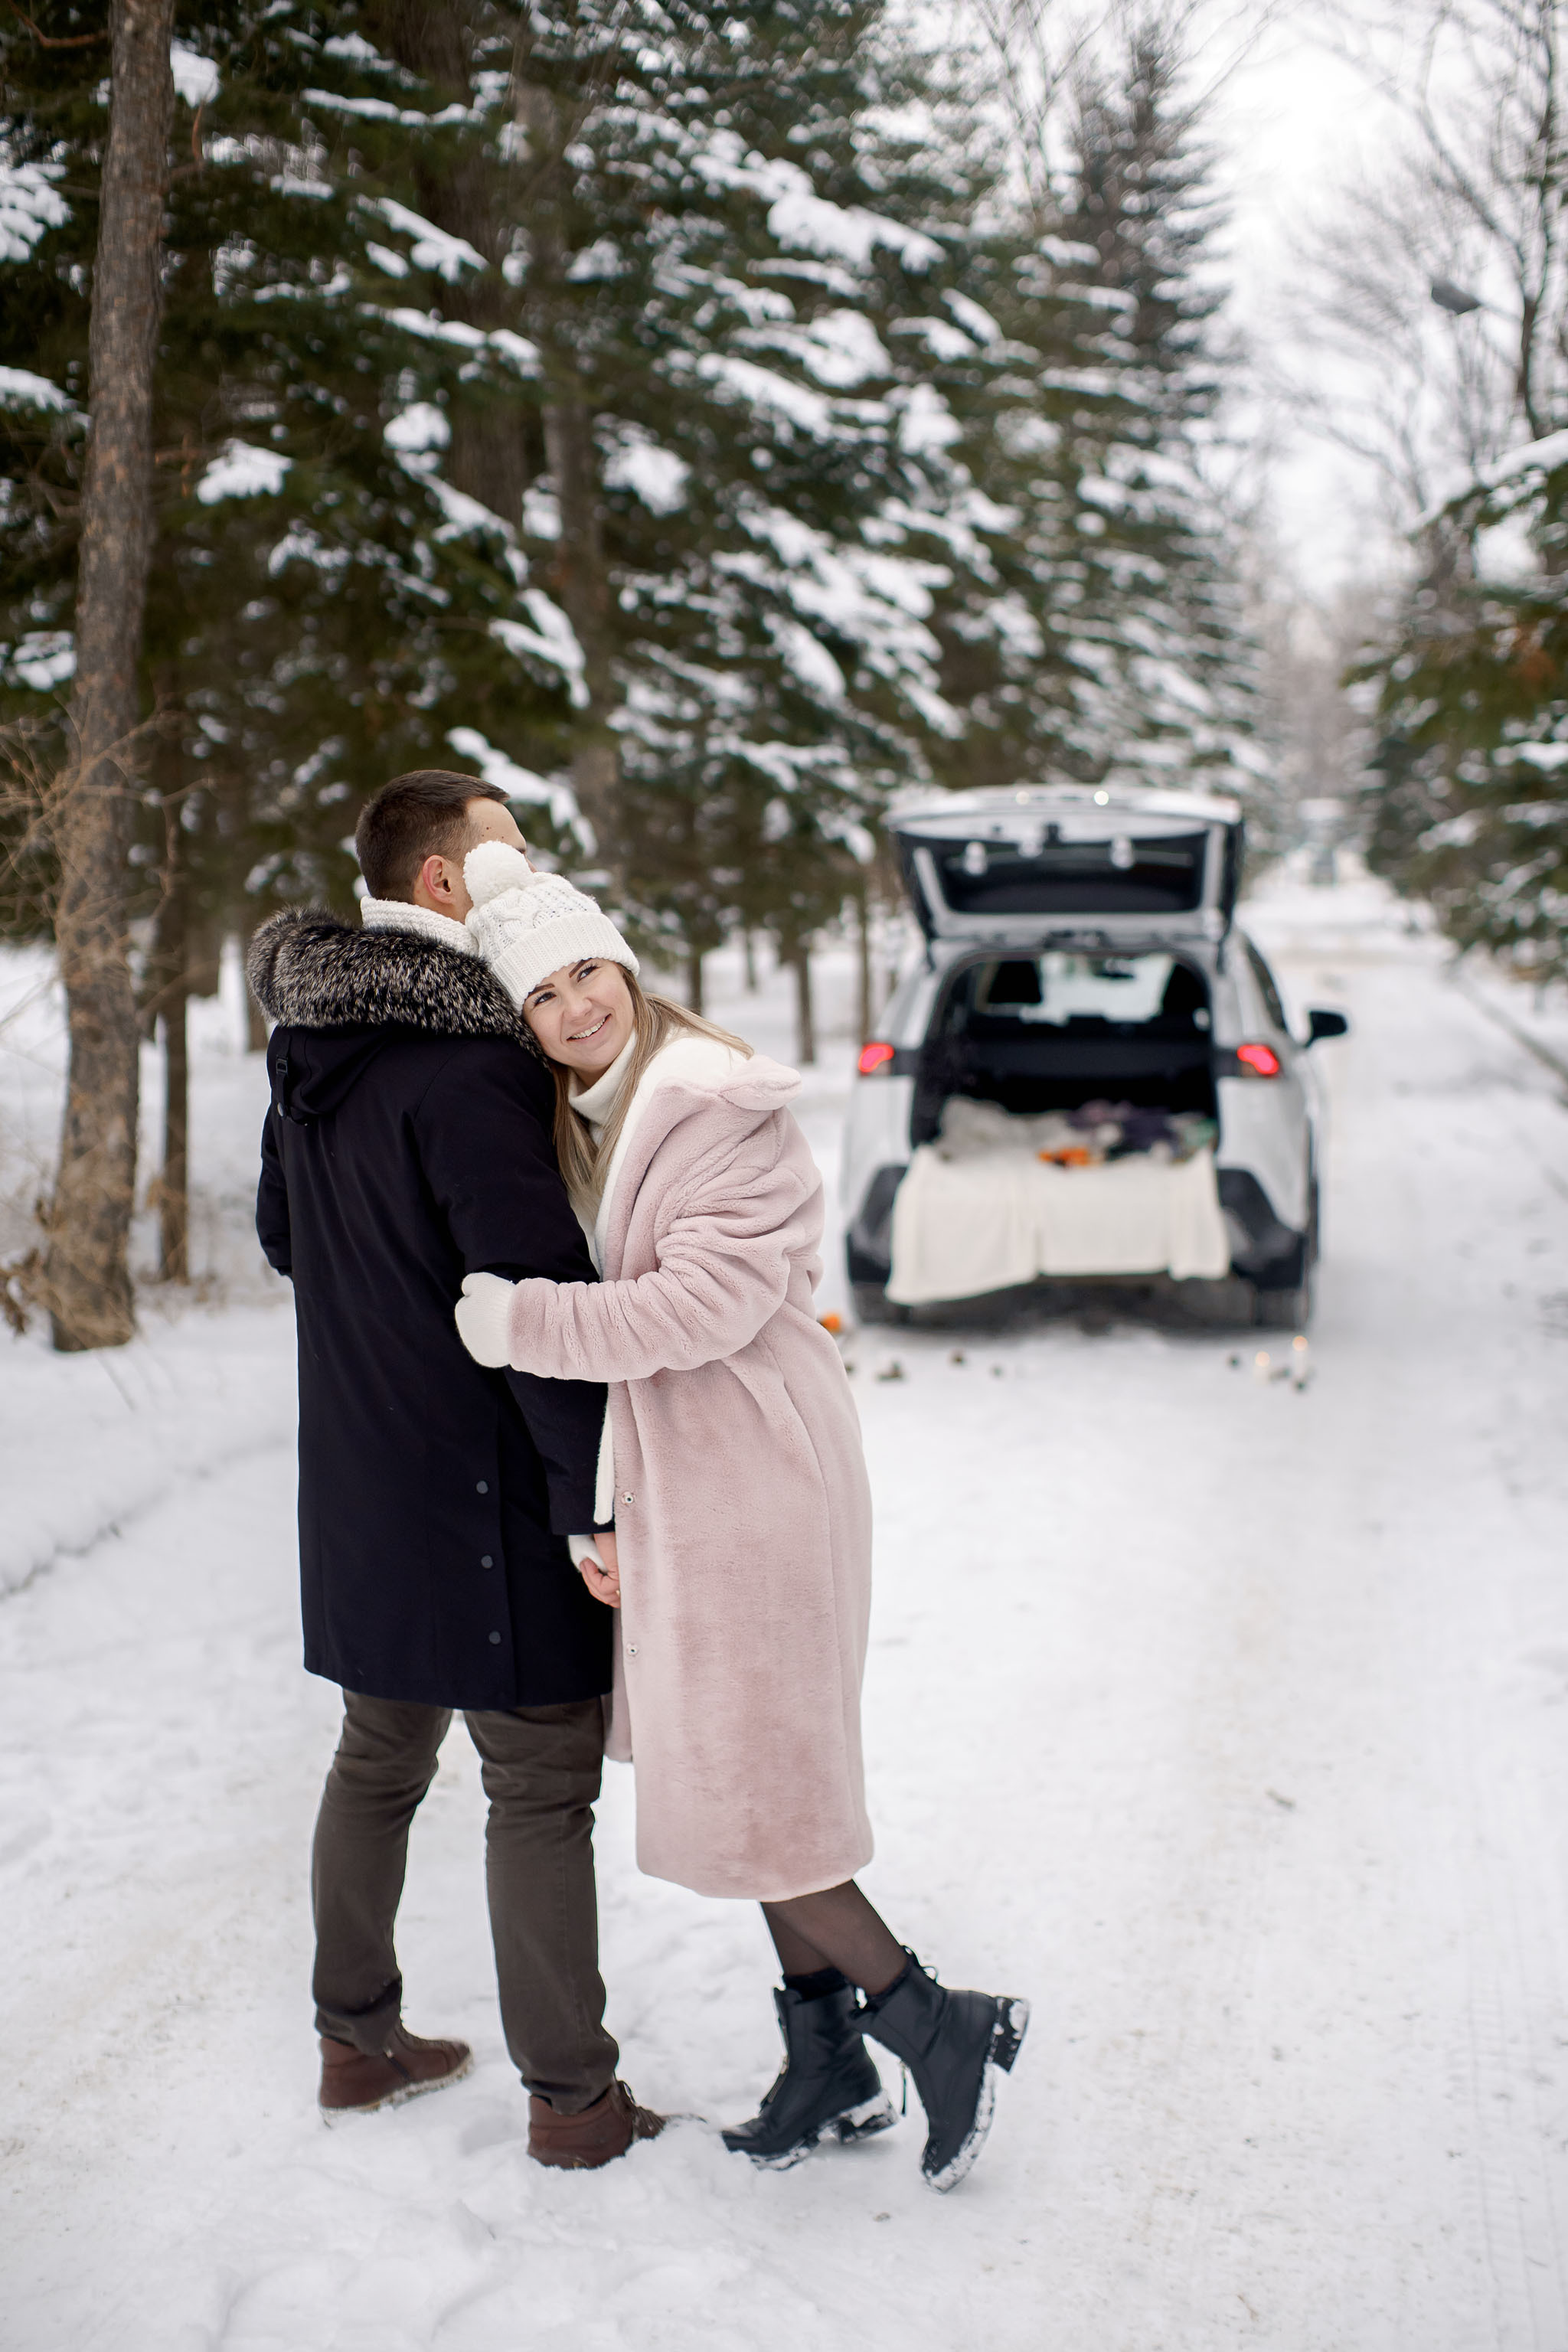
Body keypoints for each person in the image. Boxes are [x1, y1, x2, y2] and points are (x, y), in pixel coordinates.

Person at [452, 844, 1028, 2192]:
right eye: (543, 995)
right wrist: (601, 1504)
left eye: (587, 972)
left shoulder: (711, 1103)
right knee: (752, 1781)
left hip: (757, 1475)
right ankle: (828, 2062)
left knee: (758, 1788)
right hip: (695, 1477)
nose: (576, 1006)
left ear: (625, 965)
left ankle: (935, 2025)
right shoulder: (597, 1112)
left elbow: (701, 1306)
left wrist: (524, 1324)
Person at [250, 771, 662, 2171]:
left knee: (379, 1756)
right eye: (508, 850)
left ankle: (356, 2044)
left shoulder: (311, 1039)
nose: (527, 868)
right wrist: (590, 1502)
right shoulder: (475, 1060)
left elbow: (288, 1238)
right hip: (487, 1485)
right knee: (538, 1783)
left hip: (360, 1475)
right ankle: (576, 2103)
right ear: (443, 882)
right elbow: (538, 1300)